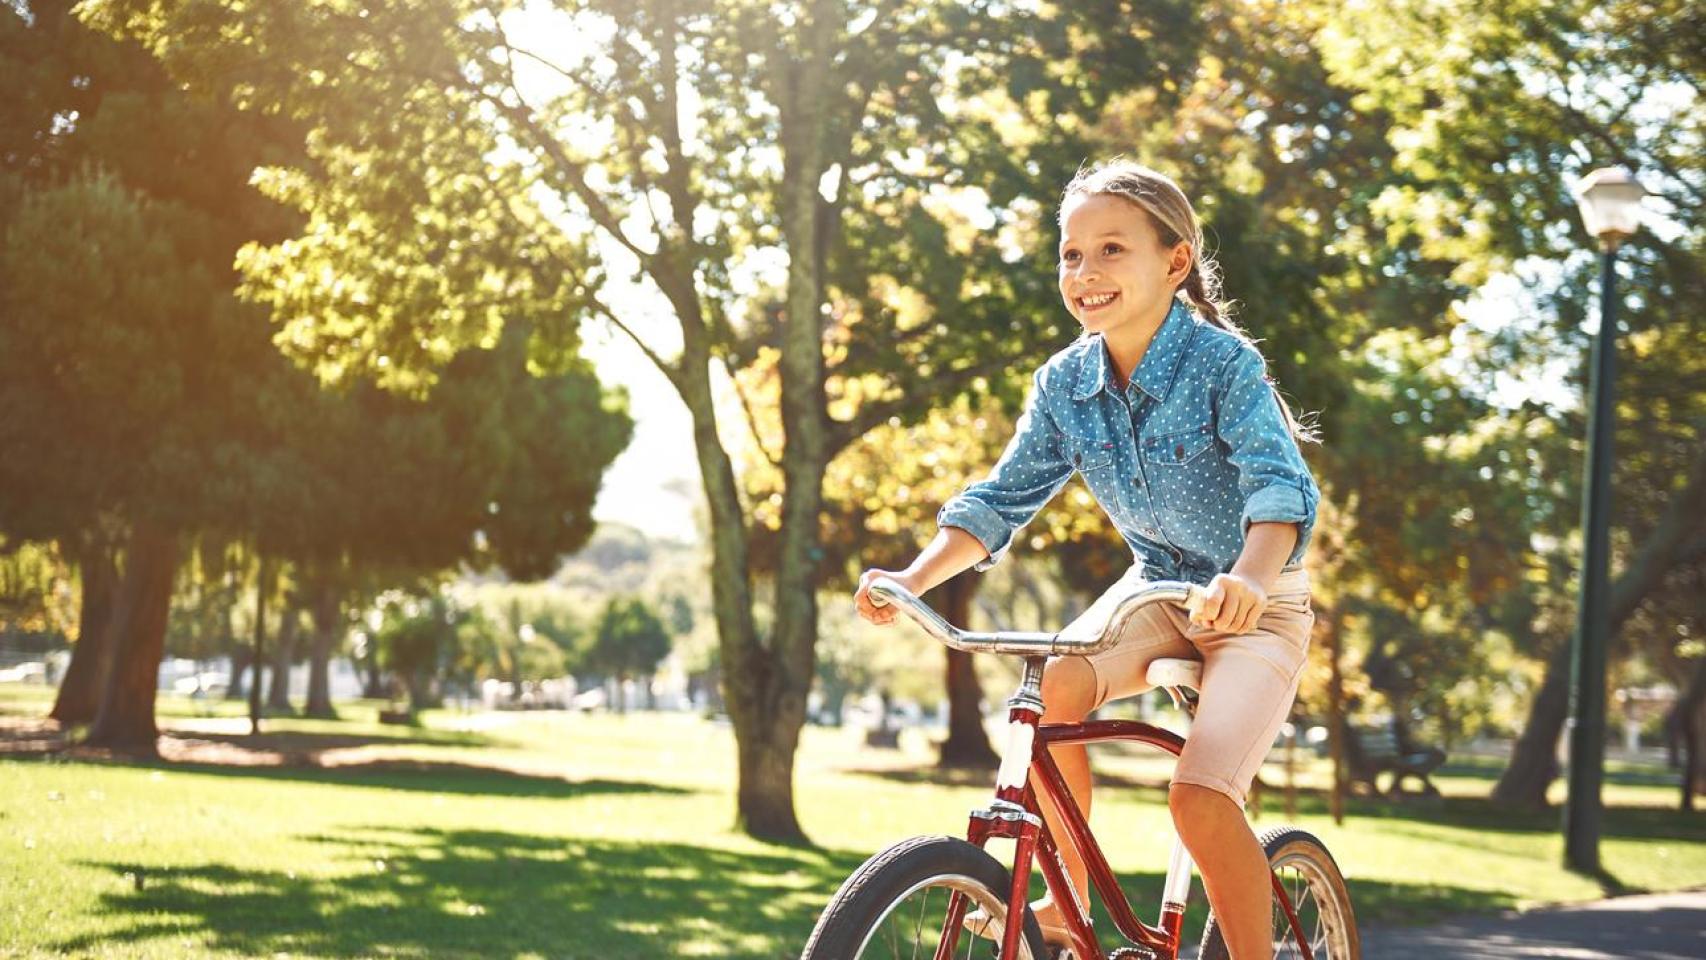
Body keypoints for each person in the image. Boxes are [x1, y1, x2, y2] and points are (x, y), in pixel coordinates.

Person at [853, 157, 1321, 960]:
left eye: (1111, 250)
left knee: (1202, 798)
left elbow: (1280, 489)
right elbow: (1000, 499)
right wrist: (912, 577)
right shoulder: (1065, 382)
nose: (1085, 272)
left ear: (1175, 263)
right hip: (1154, 595)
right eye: (1071, 254)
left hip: (1258, 606)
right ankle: (1066, 904)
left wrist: (1247, 578)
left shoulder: (1224, 364)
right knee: (1048, 695)